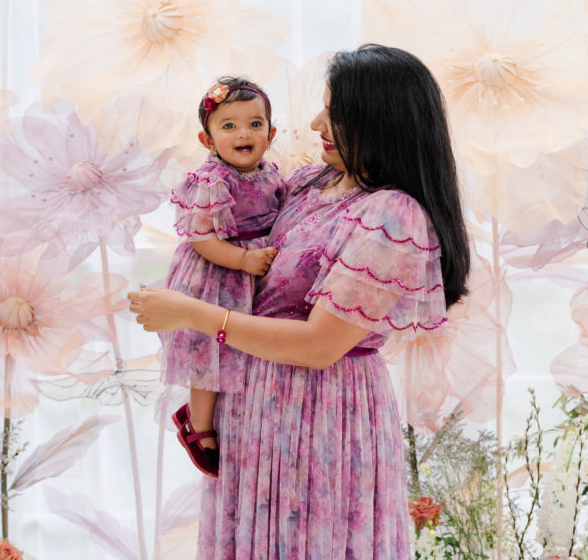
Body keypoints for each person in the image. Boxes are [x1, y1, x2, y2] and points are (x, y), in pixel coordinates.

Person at [129, 45, 470, 559]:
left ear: (378, 120)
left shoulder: (392, 216)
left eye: (333, 112)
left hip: (324, 418)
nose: (315, 123)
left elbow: (319, 345)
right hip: (252, 410)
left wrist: (190, 312)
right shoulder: (313, 182)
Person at [158, 77, 285, 477]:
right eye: (228, 126)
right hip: (215, 272)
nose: (243, 133)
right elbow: (201, 239)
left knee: (248, 347)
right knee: (209, 354)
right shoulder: (211, 181)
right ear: (207, 139)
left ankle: (235, 413)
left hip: (252, 267)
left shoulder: (269, 175)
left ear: (271, 133)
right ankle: (198, 424)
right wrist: (243, 260)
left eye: (254, 124)